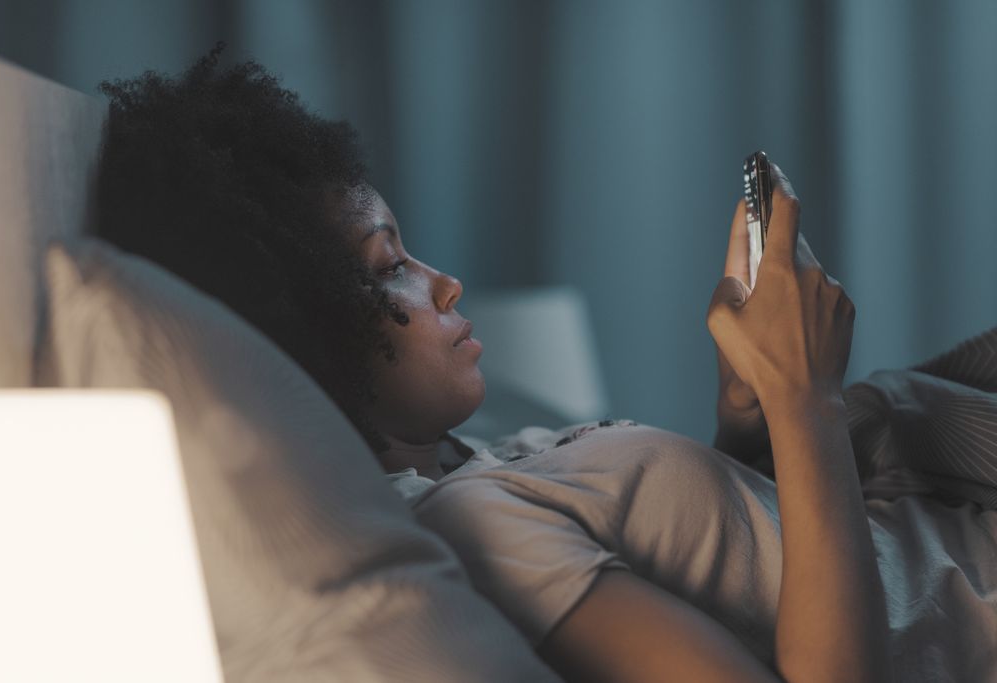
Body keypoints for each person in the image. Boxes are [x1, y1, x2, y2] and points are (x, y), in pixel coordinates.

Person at [96, 44, 997, 682]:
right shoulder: (477, 530)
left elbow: (740, 562)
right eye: (390, 269)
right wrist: (810, 405)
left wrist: (748, 425)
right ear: (308, 331)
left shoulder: (480, 458)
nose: (443, 283)